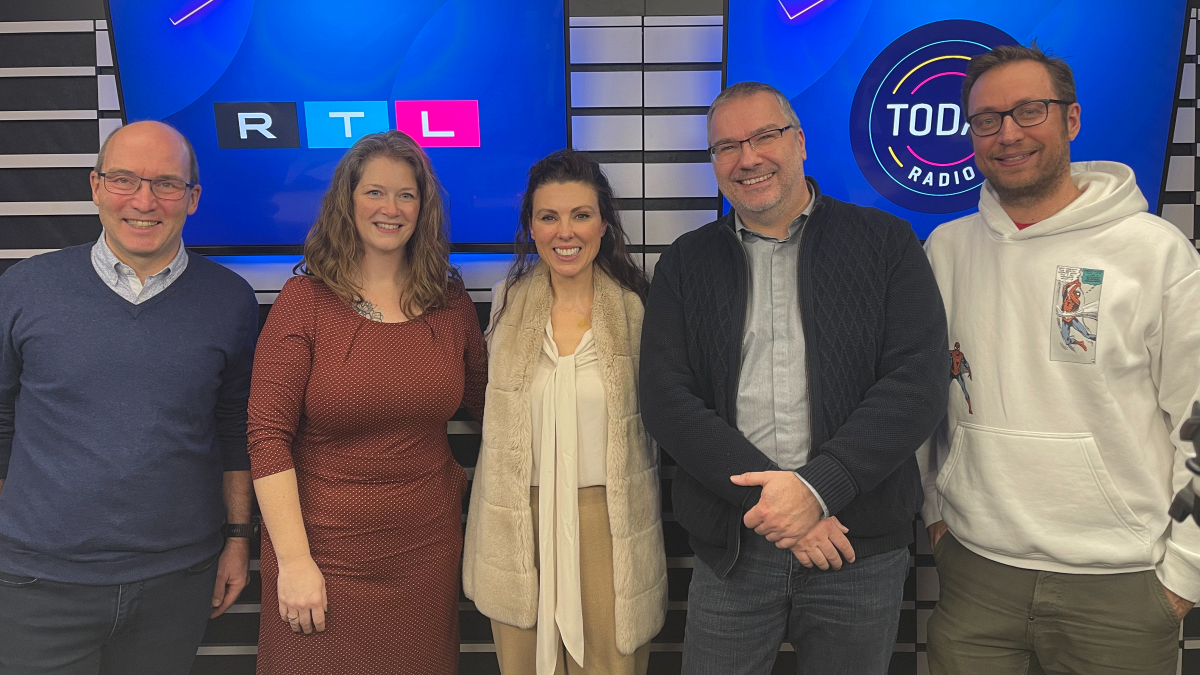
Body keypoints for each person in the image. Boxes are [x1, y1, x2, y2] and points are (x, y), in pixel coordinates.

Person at [639, 81, 949, 675]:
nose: (747, 158)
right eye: (727, 146)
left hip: (855, 548)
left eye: (764, 136)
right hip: (734, 550)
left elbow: (917, 382)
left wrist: (817, 491)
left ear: (800, 142)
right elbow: (666, 400)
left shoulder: (886, 243)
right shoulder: (685, 261)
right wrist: (779, 504)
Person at [920, 43, 1200, 675]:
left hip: (1122, 588)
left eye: (1029, 111)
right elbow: (923, 402)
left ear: (1071, 119)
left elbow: (1197, 417)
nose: (1008, 133)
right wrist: (936, 513)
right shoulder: (946, 250)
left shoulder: (1155, 254)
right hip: (976, 575)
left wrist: (1185, 575)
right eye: (987, 119)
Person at [0, 120, 258, 674]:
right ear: (96, 187)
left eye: (166, 183)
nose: (144, 201)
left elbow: (234, 430)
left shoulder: (230, 300)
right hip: (39, 586)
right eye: (124, 179)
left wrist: (238, 538)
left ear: (193, 198)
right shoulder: (23, 289)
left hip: (177, 583)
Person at [247, 129, 486, 674]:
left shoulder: (449, 302)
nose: (390, 208)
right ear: (347, 201)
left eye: (406, 195)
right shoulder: (305, 300)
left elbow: (492, 403)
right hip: (320, 554)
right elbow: (267, 436)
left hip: (425, 553)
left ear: (423, 208)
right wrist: (295, 561)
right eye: (374, 192)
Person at [463, 149, 667, 675]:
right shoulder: (505, 302)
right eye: (548, 216)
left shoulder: (639, 307)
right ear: (531, 227)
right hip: (518, 521)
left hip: (607, 524)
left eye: (580, 214)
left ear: (603, 224)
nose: (565, 232)